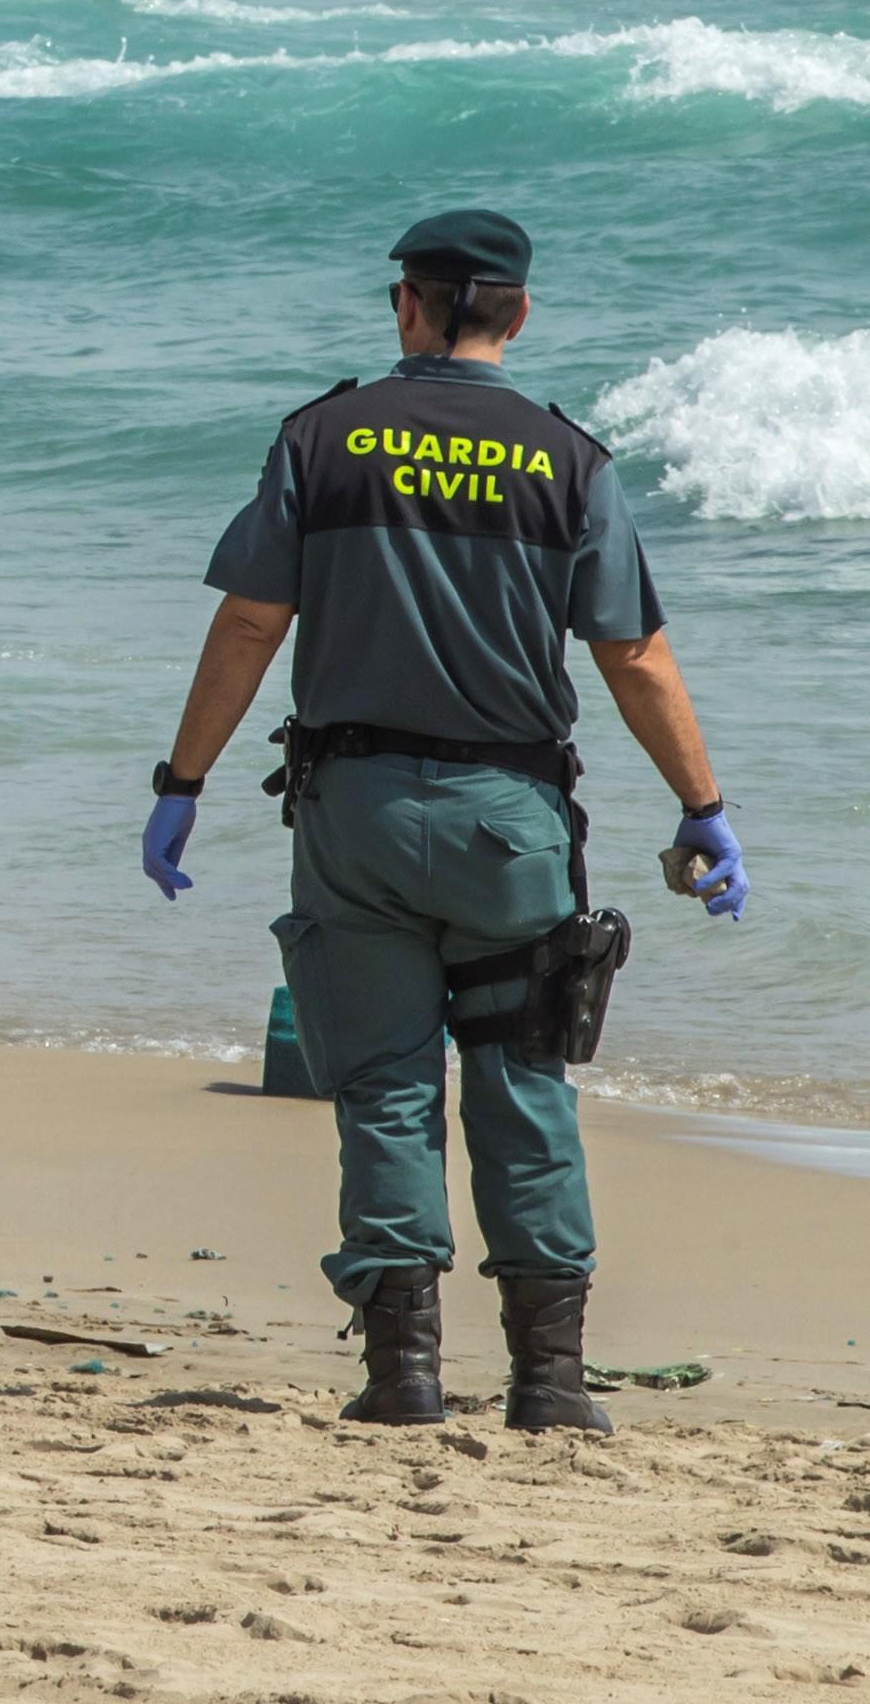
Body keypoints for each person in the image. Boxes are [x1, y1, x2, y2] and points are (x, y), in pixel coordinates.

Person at [144, 208, 748, 1432]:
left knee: (381, 1088)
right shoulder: (567, 461)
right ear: (517, 314)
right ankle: (551, 1381)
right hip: (508, 821)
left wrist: (182, 781)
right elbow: (630, 653)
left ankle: (402, 1374)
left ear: (403, 305)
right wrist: (703, 806)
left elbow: (251, 624)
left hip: (353, 814)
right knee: (522, 1085)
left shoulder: (320, 438)